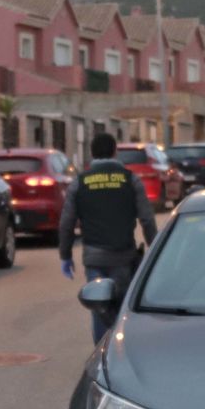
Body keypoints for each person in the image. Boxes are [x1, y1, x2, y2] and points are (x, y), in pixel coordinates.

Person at [59, 132, 158, 342]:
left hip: (94, 258)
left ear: (91, 154)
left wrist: (65, 256)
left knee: (99, 307)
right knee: (121, 310)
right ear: (115, 152)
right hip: (123, 257)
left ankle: (100, 356)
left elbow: (67, 223)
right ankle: (120, 352)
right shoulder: (130, 180)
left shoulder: (80, 182)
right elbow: (147, 220)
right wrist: (156, 251)